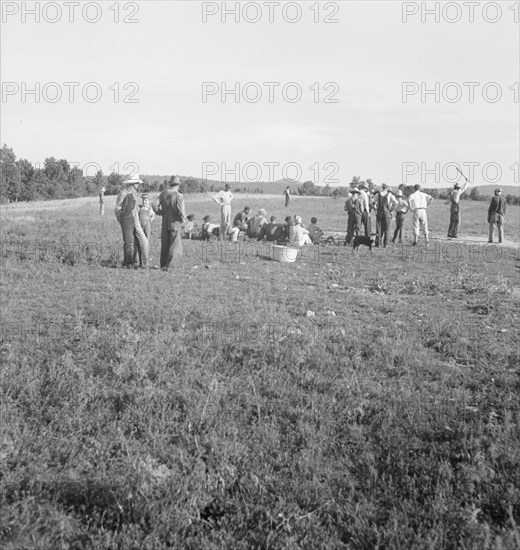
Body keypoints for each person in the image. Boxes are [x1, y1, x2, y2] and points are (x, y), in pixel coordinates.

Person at [152, 175, 186, 271]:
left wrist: (160, 212)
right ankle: (170, 267)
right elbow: (181, 210)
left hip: (165, 223)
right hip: (175, 223)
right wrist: (182, 219)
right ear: (178, 185)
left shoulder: (163, 194)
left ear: (170, 184)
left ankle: (163, 265)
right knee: (175, 245)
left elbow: (154, 205)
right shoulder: (179, 196)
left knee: (165, 245)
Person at [114, 176, 149, 268]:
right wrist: (122, 220)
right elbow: (117, 208)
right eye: (137, 183)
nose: (139, 185)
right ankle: (130, 262)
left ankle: (144, 263)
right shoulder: (123, 193)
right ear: (133, 184)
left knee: (143, 240)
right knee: (129, 241)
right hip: (127, 220)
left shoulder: (134, 193)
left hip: (136, 220)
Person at [134, 193, 155, 267]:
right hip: (140, 226)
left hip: (147, 226)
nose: (144, 202)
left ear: (149, 201)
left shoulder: (150, 208)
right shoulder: (139, 208)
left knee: (146, 242)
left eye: (146, 200)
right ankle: (139, 261)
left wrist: (149, 221)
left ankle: (146, 260)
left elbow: (152, 216)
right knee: (139, 243)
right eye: (143, 200)